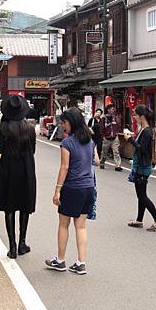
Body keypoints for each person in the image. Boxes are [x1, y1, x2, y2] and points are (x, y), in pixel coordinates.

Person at [45, 107, 99, 275]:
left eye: (65, 123)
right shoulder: (90, 140)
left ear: (72, 123)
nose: (63, 126)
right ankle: (81, 263)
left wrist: (57, 191)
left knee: (63, 224)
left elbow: (64, 167)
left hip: (72, 188)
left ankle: (60, 260)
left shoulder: (67, 143)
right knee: (81, 226)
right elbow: (96, 161)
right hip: (89, 188)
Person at [0, 95, 36, 258]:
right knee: (25, 206)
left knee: (9, 207)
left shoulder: (2, 128)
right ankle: (22, 243)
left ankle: (12, 246)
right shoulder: (30, 128)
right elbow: (32, 150)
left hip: (8, 168)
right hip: (26, 168)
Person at [124, 105, 156, 231]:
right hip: (142, 165)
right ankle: (139, 220)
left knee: (142, 196)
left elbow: (142, 149)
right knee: (141, 194)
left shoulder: (146, 131)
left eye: (136, 115)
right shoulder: (144, 129)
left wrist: (130, 139)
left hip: (142, 166)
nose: (134, 117)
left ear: (141, 116)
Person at [100, 104, 122, 171]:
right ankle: (102, 162)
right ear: (108, 110)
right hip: (107, 137)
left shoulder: (115, 117)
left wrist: (117, 132)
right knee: (104, 152)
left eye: (114, 109)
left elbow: (118, 125)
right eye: (112, 109)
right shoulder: (103, 118)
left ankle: (118, 166)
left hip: (114, 137)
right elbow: (101, 128)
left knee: (116, 151)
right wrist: (103, 136)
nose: (113, 110)